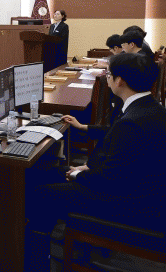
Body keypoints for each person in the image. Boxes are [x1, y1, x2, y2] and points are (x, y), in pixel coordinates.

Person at [25, 53, 166, 268]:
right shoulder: (151, 108)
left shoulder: (131, 122)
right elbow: (120, 150)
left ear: (119, 81)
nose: (107, 78)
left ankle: (36, 260)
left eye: (109, 74)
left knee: (41, 193)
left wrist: (80, 174)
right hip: (144, 192)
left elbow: (111, 181)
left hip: (127, 204)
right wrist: (88, 163)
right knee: (44, 174)